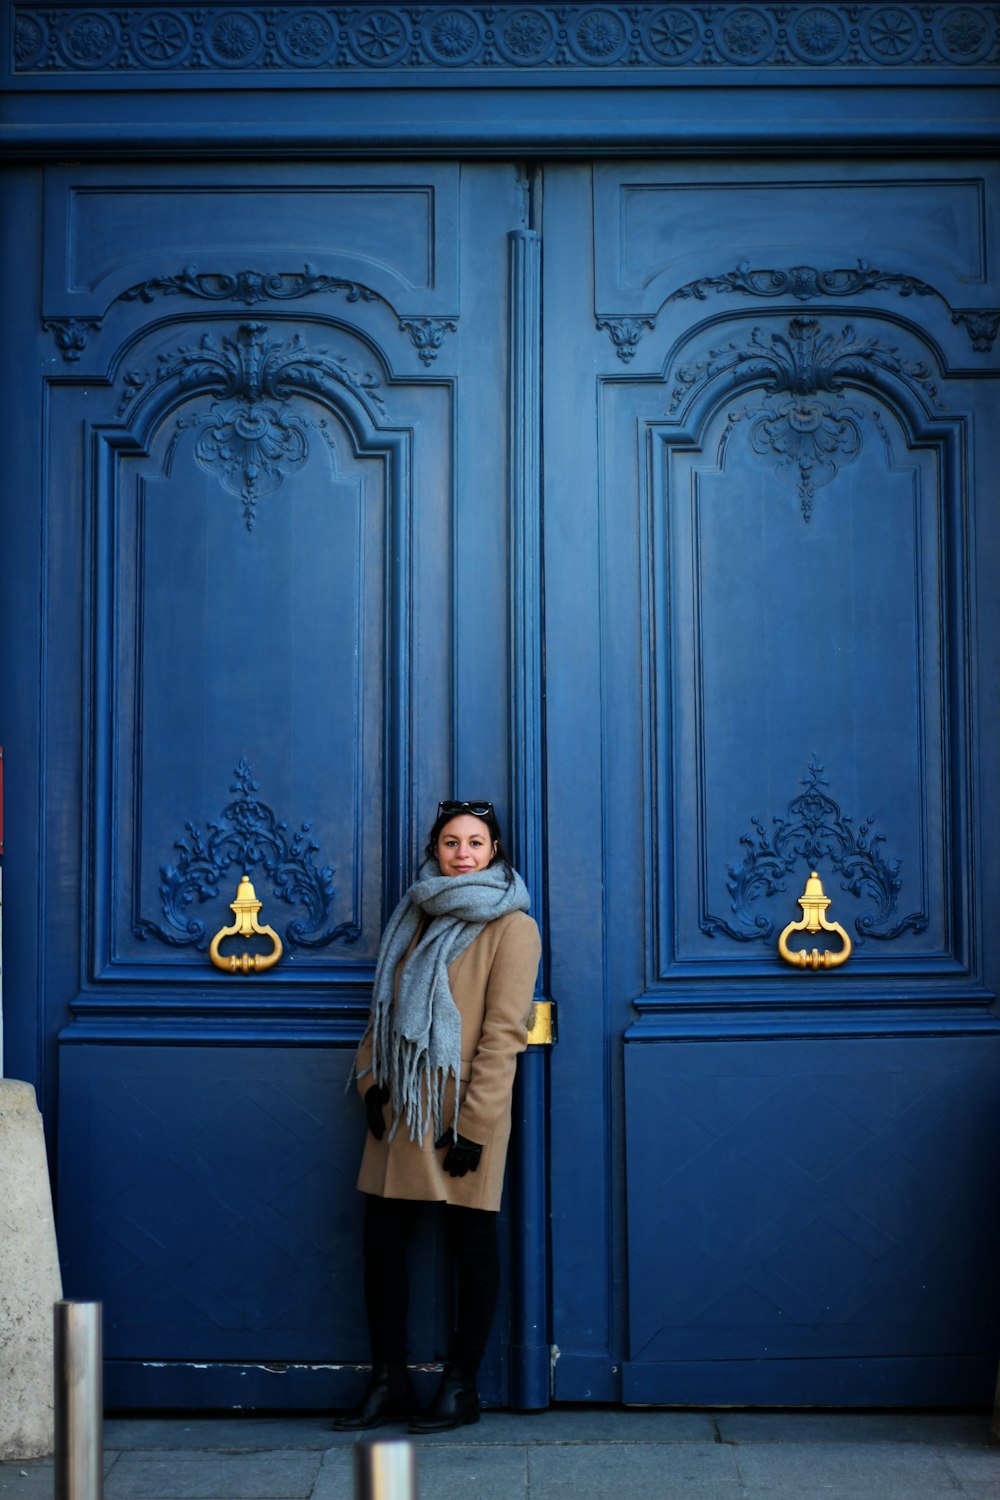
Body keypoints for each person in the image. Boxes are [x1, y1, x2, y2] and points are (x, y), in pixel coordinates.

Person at [333, 799, 541, 1434]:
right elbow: (384, 1005)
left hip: (458, 1113)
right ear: (436, 849)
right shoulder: (416, 914)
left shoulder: (513, 926)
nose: (462, 854)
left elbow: (504, 1035)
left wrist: (475, 1131)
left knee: (470, 1246)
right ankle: (389, 1381)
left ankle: (462, 1387)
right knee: (381, 1246)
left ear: (494, 850)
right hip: (402, 1109)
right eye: (451, 842)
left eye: (475, 842)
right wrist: (370, 1083)